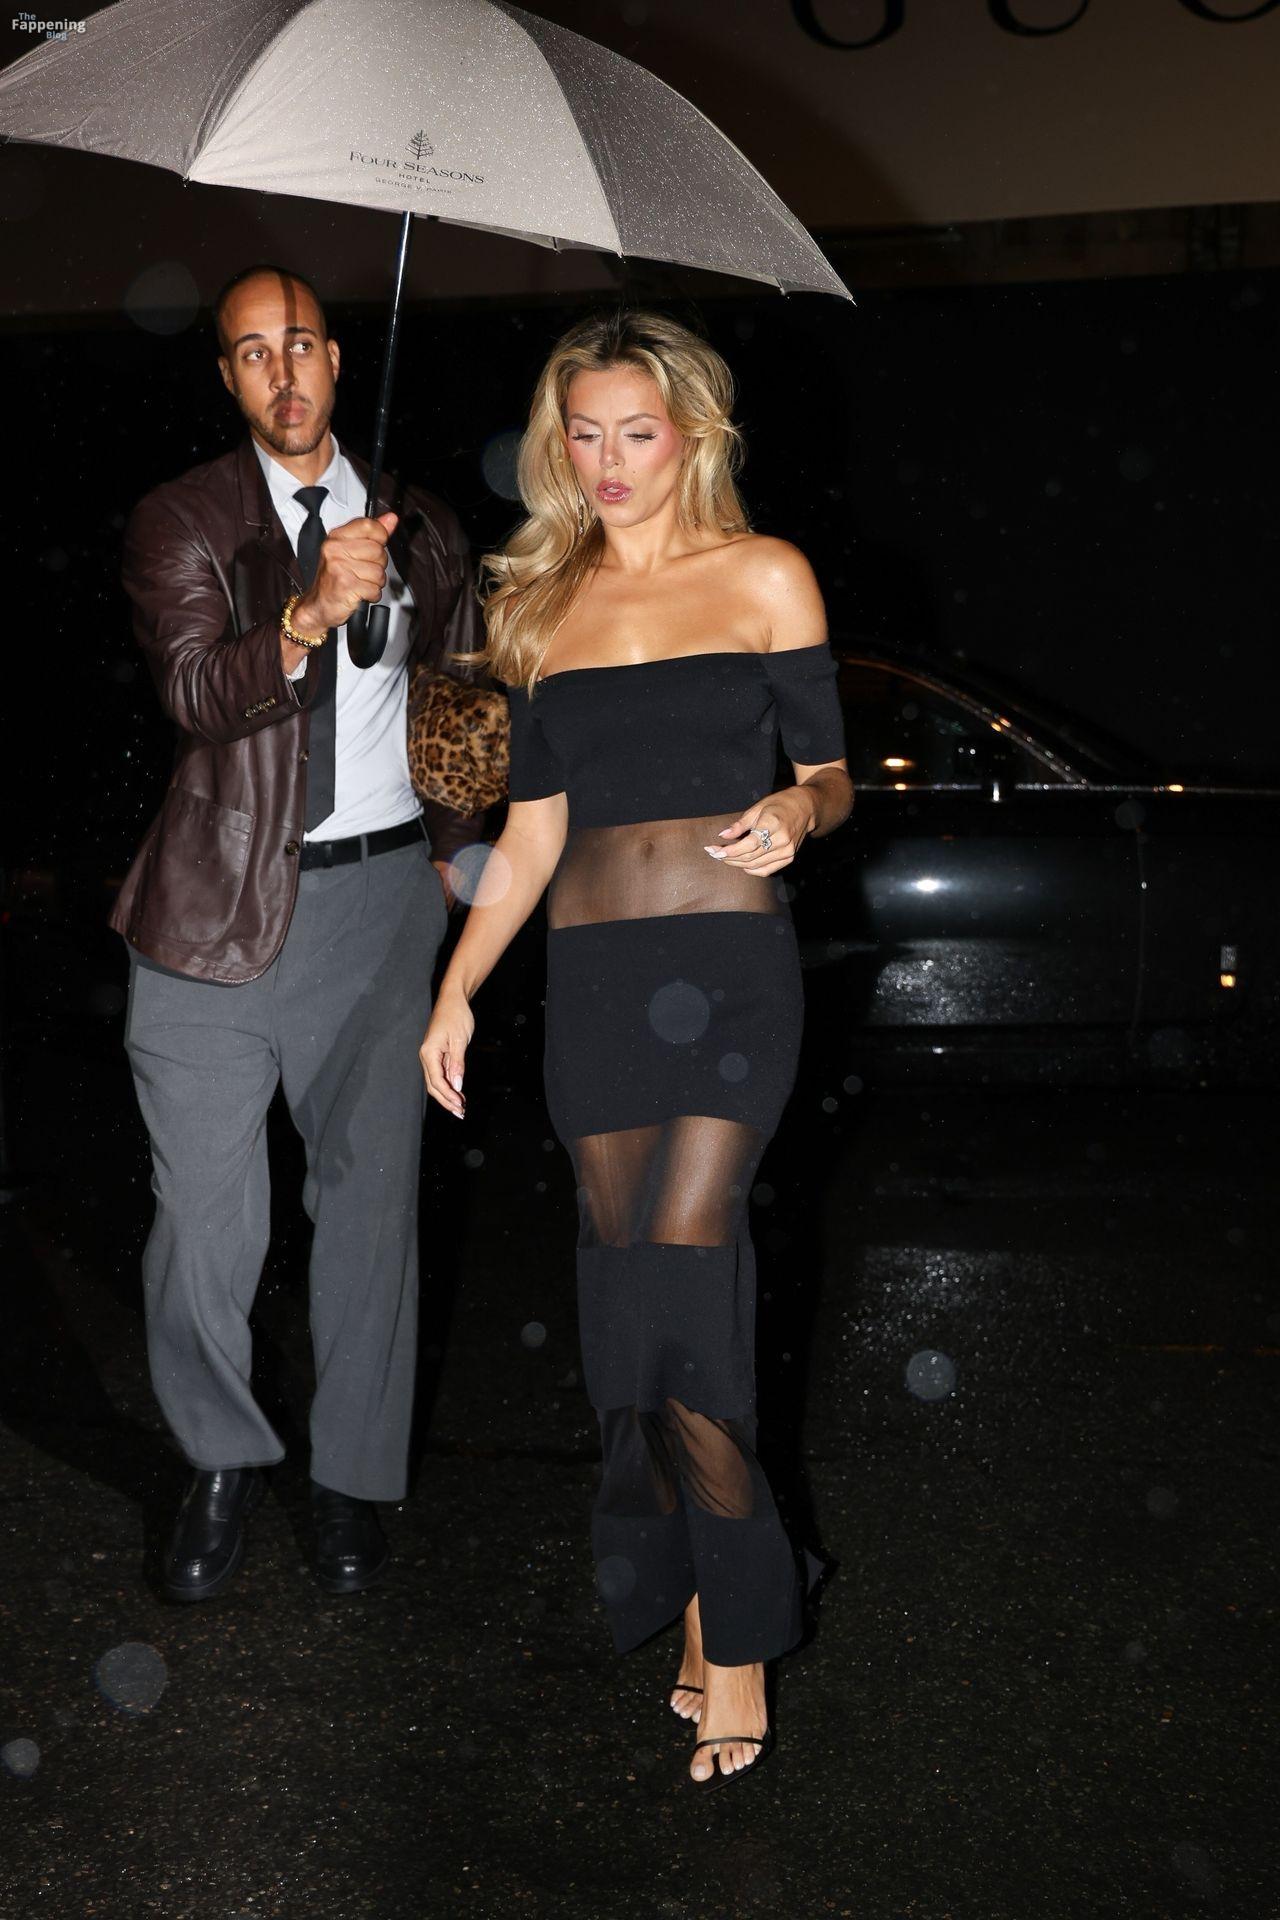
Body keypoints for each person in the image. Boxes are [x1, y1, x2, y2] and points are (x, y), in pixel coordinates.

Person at [419, 309, 853, 1789]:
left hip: (731, 978)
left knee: (686, 1277)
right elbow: (534, 834)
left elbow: (831, 773)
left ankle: (742, 1636)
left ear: (694, 435)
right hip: (597, 987)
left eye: (638, 432)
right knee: (624, 1315)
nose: (608, 462)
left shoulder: (766, 574)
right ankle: (697, 1585)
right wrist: (457, 987)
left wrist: (796, 809)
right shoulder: (545, 605)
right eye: (584, 434)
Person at [112, 263, 487, 1602]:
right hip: (210, 911)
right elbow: (194, 691)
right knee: (203, 1224)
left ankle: (350, 1479)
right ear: (227, 375)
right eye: (254, 352)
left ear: (336, 358)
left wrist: (456, 862)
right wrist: (309, 614)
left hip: (382, 909)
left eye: (304, 345)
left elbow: (463, 703)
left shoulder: (421, 524)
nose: (285, 373)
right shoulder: (183, 520)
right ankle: (221, 1459)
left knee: (372, 1211)